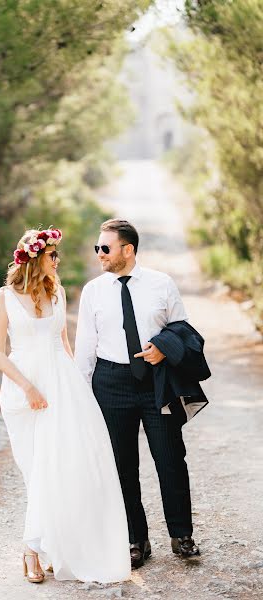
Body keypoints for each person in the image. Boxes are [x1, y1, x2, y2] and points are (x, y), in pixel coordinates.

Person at [0, 227, 131, 584]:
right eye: (53, 255)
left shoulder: (59, 294)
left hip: (61, 389)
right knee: (33, 470)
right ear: (36, 258)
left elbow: (65, 346)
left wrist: (82, 390)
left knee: (59, 468)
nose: (58, 261)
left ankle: (33, 551)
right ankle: (45, 544)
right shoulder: (4, 297)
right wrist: (28, 388)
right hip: (23, 392)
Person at [75, 218, 202, 570]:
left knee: (170, 459)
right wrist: (81, 395)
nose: (99, 253)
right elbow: (85, 347)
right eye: (98, 248)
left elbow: (183, 329)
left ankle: (182, 535)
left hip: (156, 383)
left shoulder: (162, 284)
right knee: (121, 467)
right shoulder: (93, 291)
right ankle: (136, 540)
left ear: (127, 250)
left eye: (106, 248)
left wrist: (163, 347)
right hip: (110, 383)